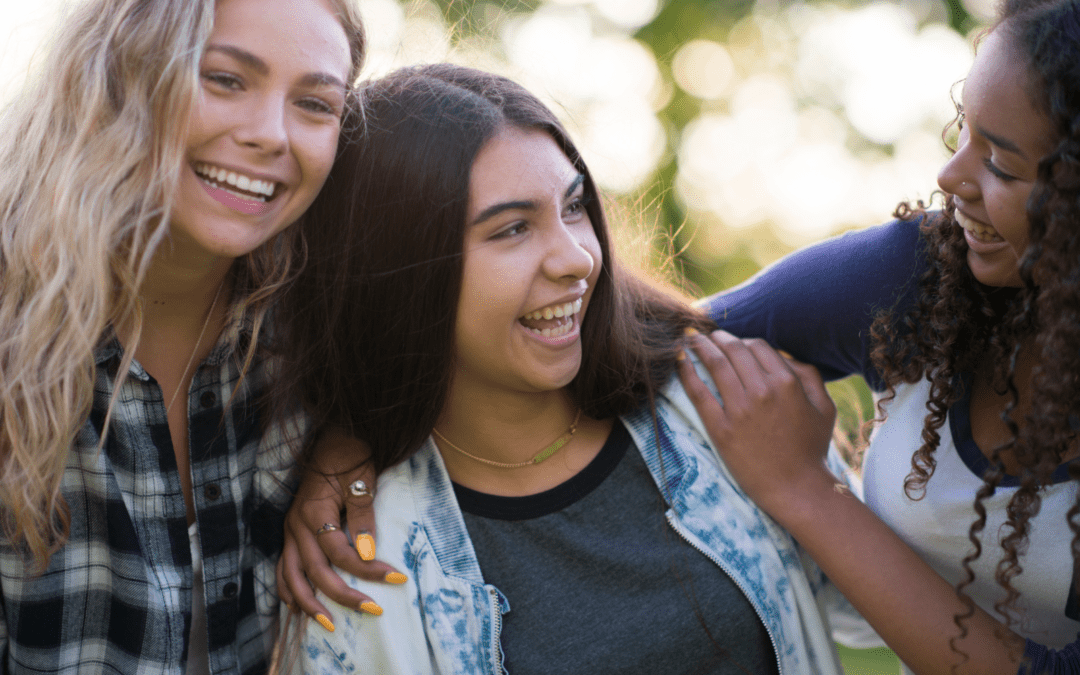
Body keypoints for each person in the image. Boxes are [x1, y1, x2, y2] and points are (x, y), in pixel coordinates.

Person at [274, 63, 854, 674]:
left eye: (574, 206)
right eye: (512, 229)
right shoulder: (367, 549)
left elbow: (883, 610)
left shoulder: (720, 406)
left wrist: (813, 486)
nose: (577, 258)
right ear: (400, 271)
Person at [681, 0, 1080, 673]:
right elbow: (672, 342)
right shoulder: (923, 275)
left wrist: (808, 491)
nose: (949, 178)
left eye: (1002, 167)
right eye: (964, 132)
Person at [0, 0, 366, 671]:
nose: (271, 135)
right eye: (225, 79)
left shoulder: (318, 330)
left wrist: (352, 452)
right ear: (116, 73)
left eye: (315, 104)